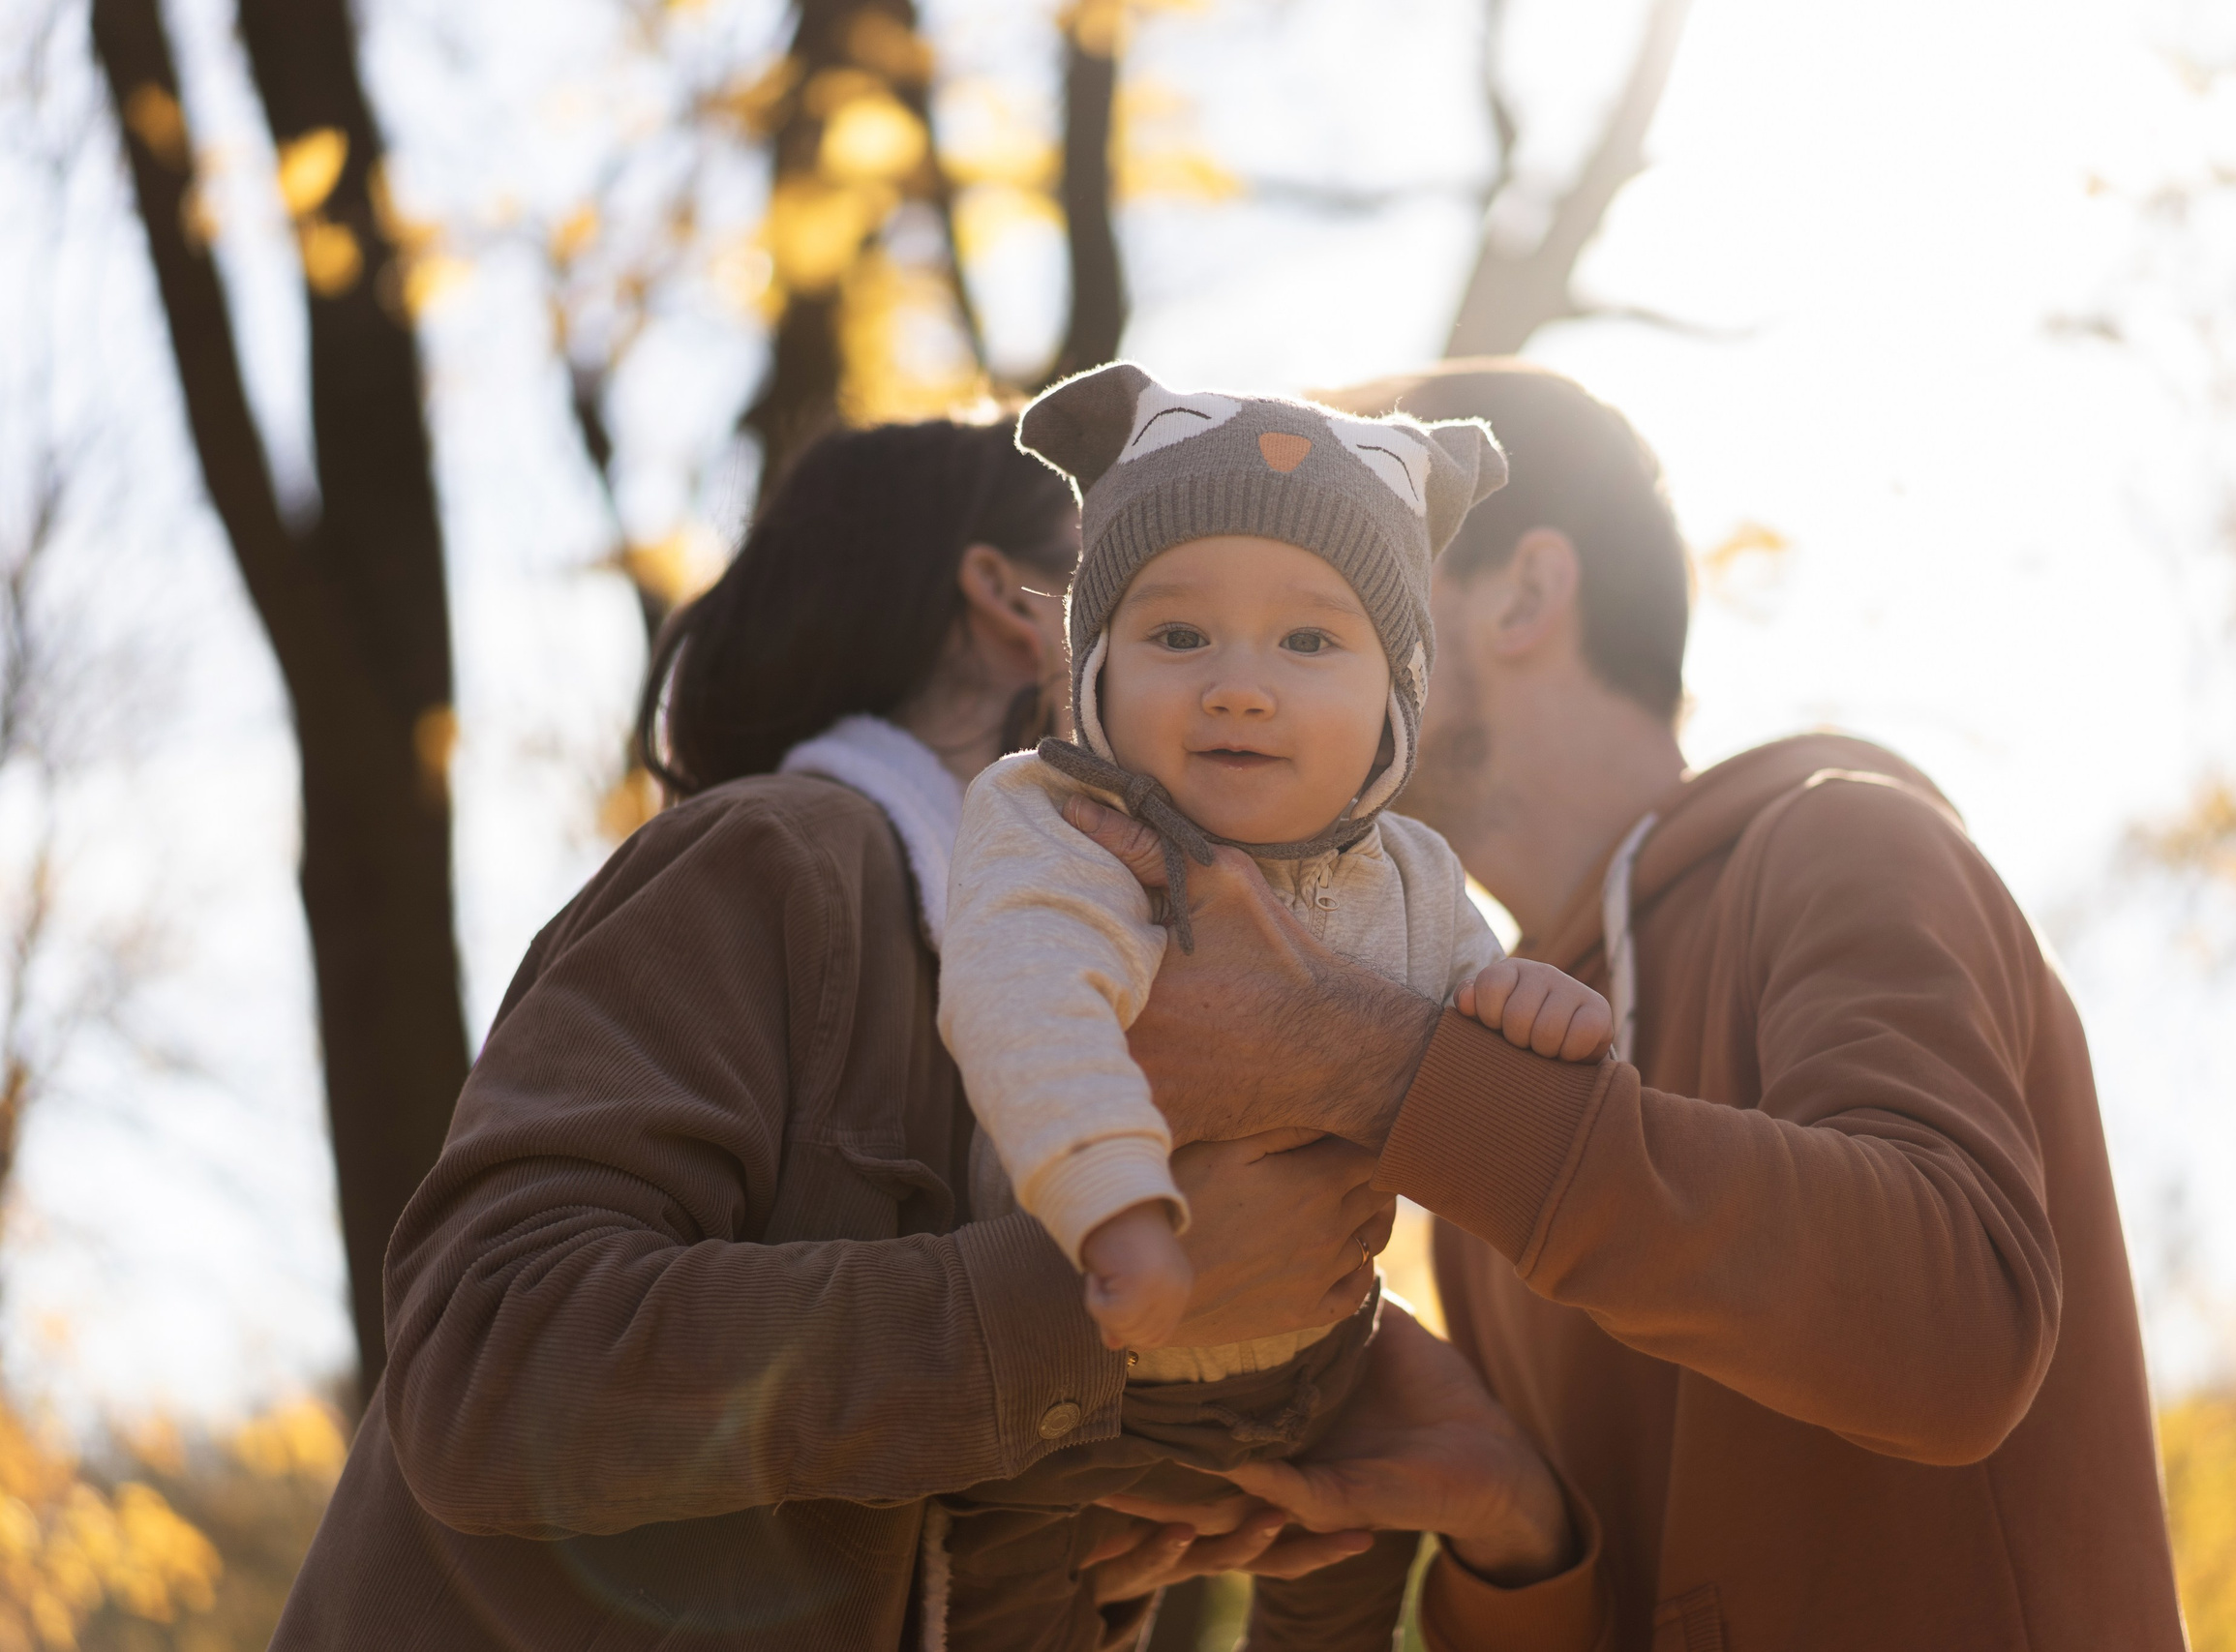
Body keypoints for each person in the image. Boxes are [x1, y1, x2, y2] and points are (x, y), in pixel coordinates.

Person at [266, 417, 1577, 1652]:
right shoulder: (780, 857)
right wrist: (1078, 1313)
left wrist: (1407, 1466)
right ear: (1017, 610)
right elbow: (488, 1366)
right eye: (1162, 603)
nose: (1240, 671)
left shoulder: (1114, 1000)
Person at [1067, 362, 2189, 1650]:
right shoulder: (1480, 1083)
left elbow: (1961, 1331)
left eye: (1331, 599)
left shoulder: (1846, 846)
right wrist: (1511, 1529)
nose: (1257, 669)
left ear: (1528, 594)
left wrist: (1363, 1067)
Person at [926, 366, 1612, 1649]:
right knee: (1014, 1599)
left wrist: (1523, 1003)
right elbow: (1026, 1004)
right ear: (1098, 666)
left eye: (1310, 641)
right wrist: (1112, 1203)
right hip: (1087, 1383)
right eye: (1180, 637)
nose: (1241, 686)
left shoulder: (1409, 873)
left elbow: (1462, 1015)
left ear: (1394, 697)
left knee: (1352, 1561)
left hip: (1319, 1377)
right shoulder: (1057, 830)